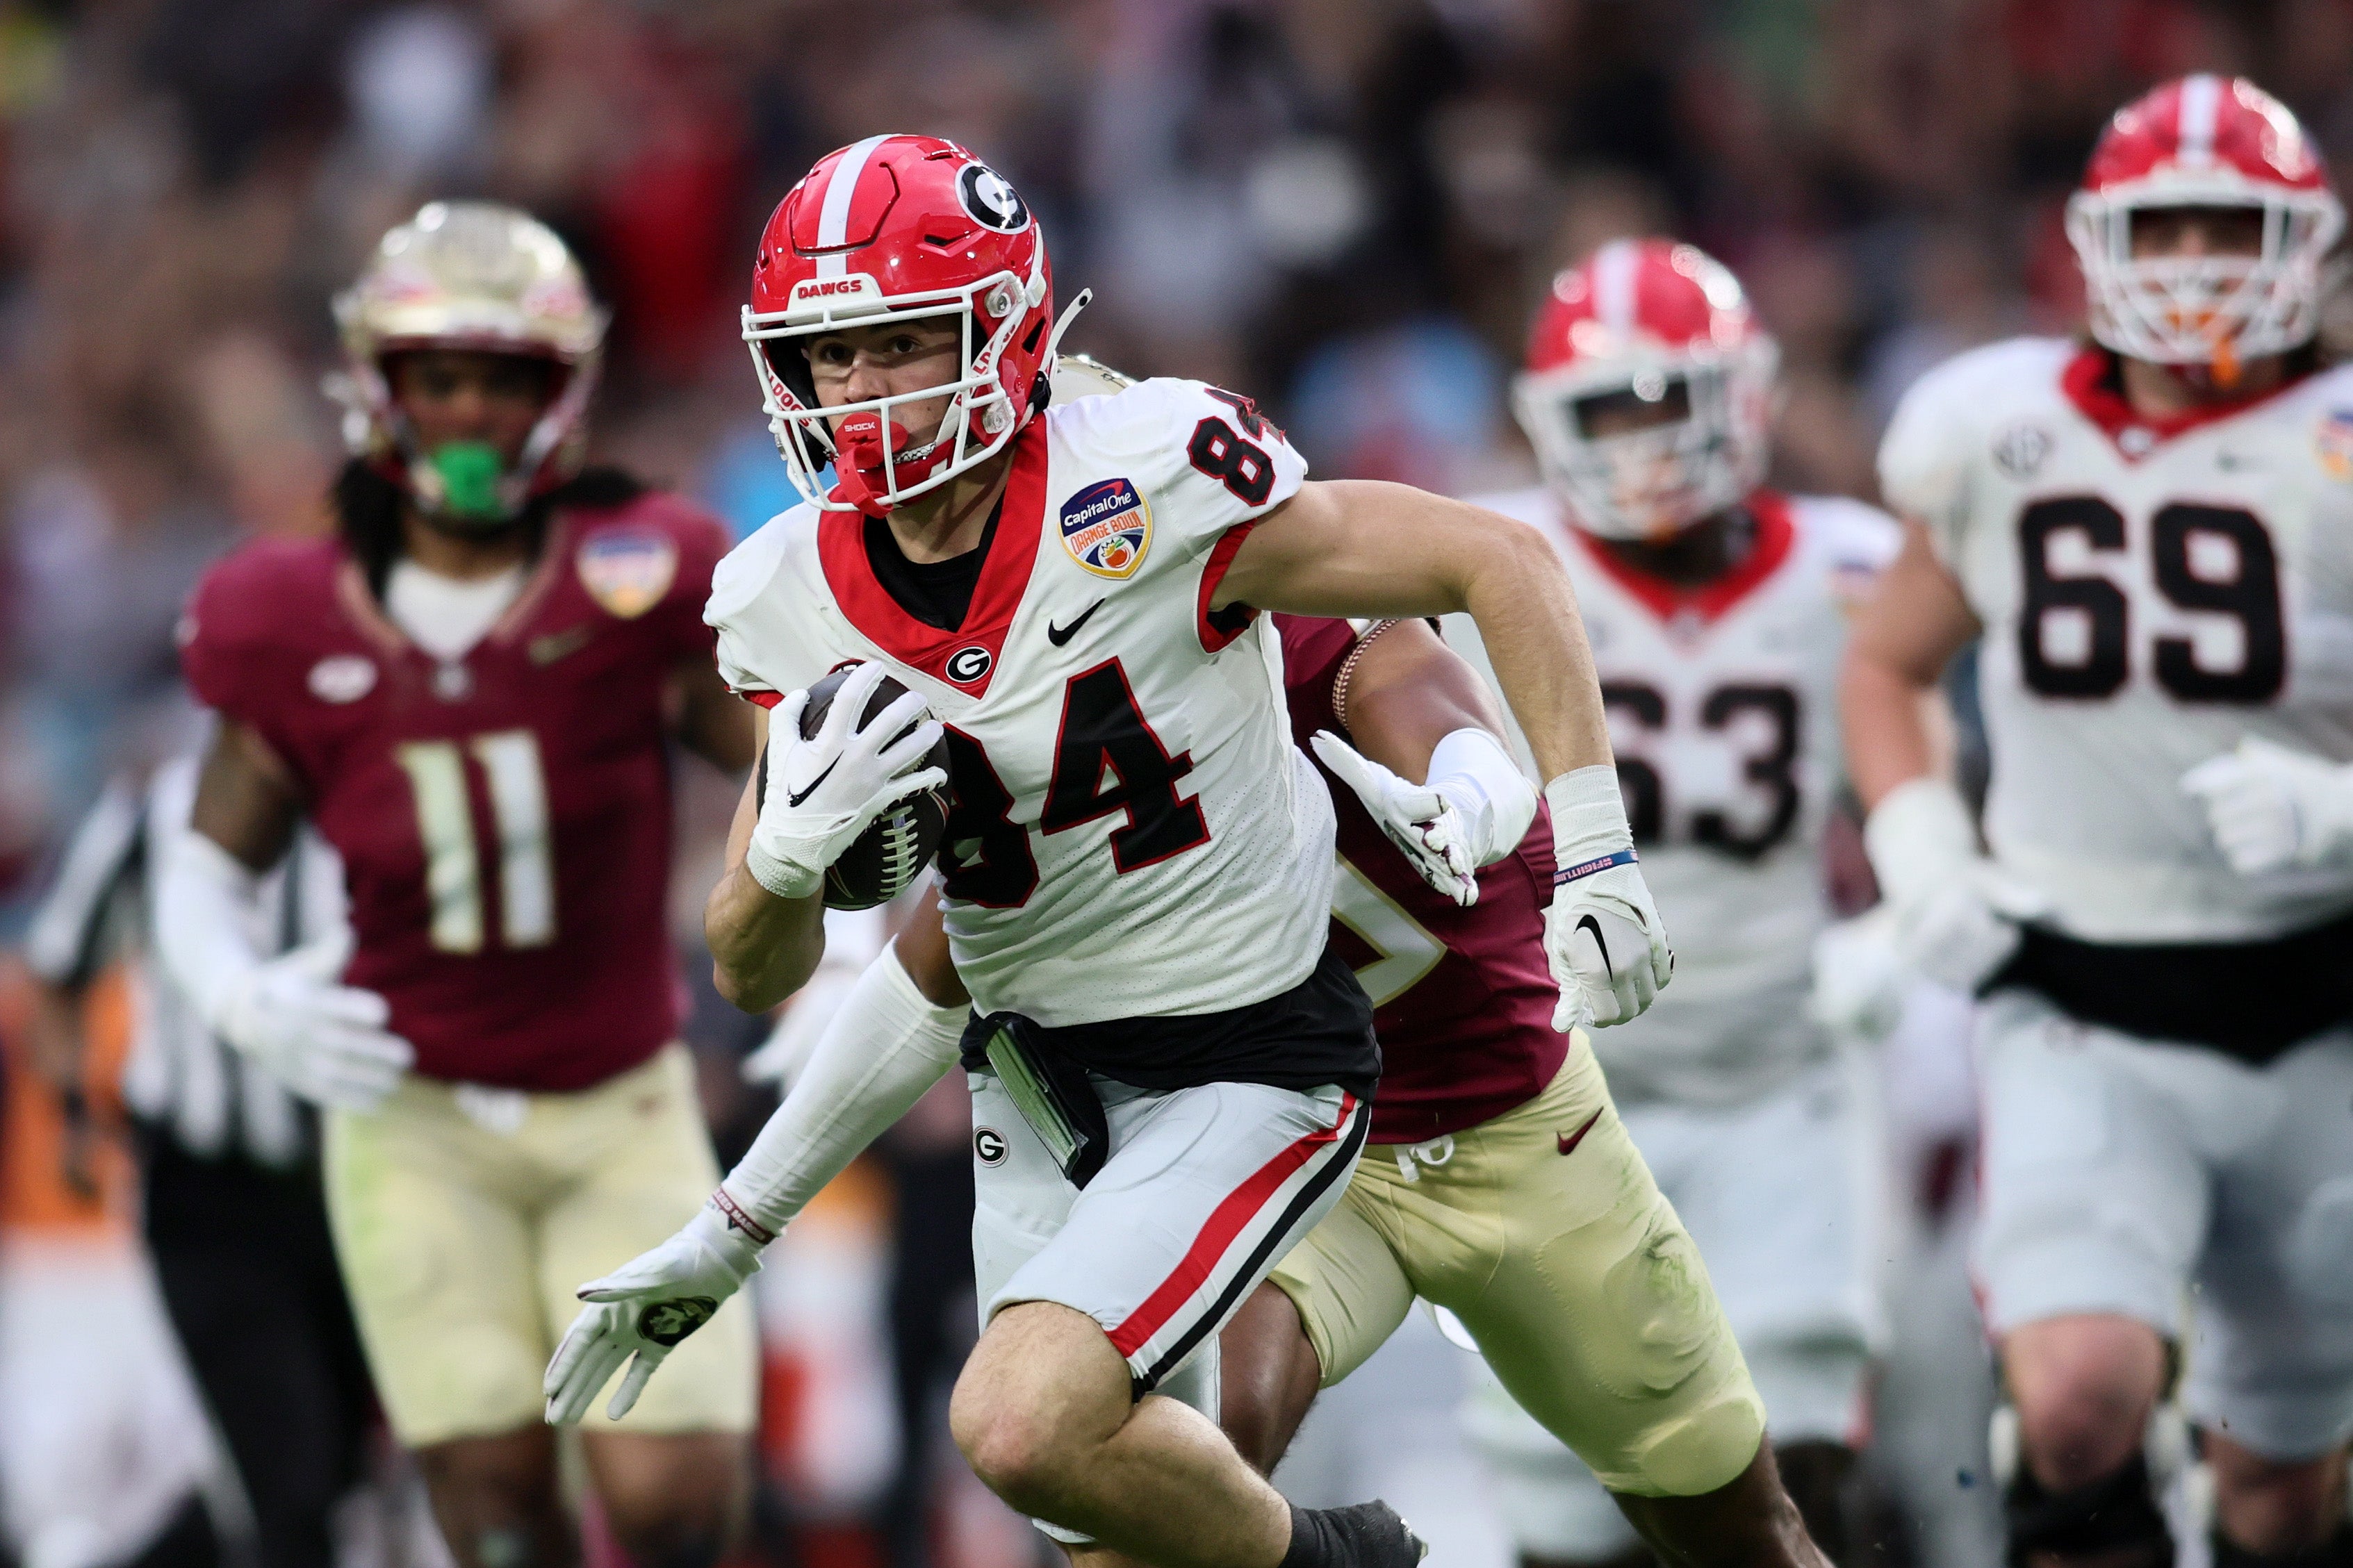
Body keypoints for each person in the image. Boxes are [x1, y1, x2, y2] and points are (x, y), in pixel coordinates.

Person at [541, 135, 1672, 1568]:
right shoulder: (783, 595)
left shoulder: (1148, 473)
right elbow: (751, 960)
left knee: (1020, 1423)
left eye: (901, 342)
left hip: (1246, 1055)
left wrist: (1590, 843)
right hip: (1033, 1082)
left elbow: (1486, 562)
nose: (861, 394)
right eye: (830, 355)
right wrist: (784, 863)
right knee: (1098, 1516)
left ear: (1005, 325)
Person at [154, 201, 760, 1568]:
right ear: (383, 385)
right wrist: (241, 995)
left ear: (563, 391)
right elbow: (202, 865)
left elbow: (797, 774)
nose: (473, 411)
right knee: (493, 1514)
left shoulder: (640, 573)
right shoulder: (284, 611)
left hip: (623, 1103)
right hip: (415, 1121)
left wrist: (833, 940)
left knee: (672, 1503)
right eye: (442, 375)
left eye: (505, 377)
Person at [1844, 75, 2353, 1568]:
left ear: (2306, 243)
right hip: (2083, 988)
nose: (2194, 261)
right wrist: (1919, 836)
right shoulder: (1994, 428)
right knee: (2074, 1401)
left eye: (2229, 225)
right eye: (2164, 224)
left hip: (2318, 997)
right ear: (2094, 239)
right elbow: (1886, 662)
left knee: (2278, 1492)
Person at [1422, 237, 1900, 1567]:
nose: (1639, 442)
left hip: (1774, 1071)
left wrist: (1897, 921)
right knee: (1571, 1508)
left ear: (1742, 395)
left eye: (1662, 399)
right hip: (1557, 1085)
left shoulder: (1843, 571)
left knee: (1796, 1455)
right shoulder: (1482, 569)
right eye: (1604, 410)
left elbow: (1924, 781)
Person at [24, 759, 373, 1568]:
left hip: (360, 1184)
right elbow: (58, 968)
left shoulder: (376, 788)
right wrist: (75, 1111)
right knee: (289, 1478)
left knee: (337, 1464)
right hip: (208, 1192)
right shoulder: (157, 811)